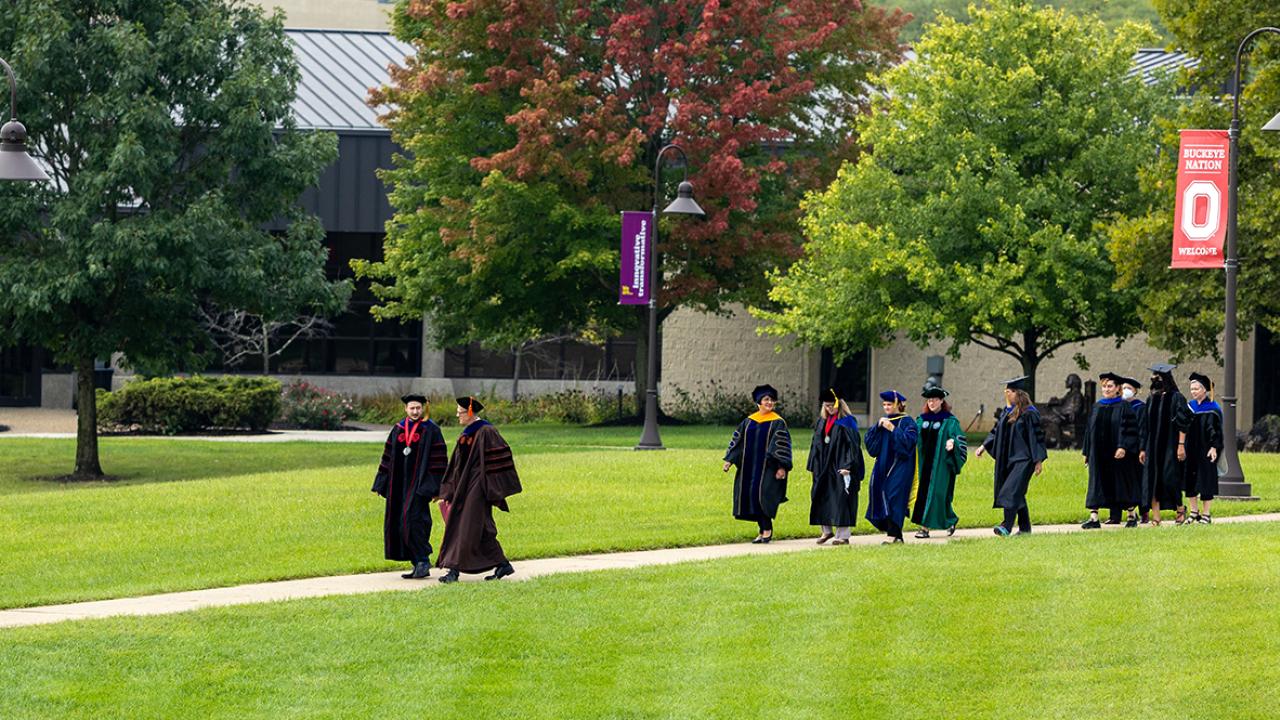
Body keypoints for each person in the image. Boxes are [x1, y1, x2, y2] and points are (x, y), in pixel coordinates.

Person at [437, 397, 523, 583]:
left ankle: (453, 570)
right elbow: (457, 463)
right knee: (481, 528)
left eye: (460, 412)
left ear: (469, 412)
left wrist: (490, 488)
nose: (457, 415)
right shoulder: (467, 432)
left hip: (477, 487)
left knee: (463, 526)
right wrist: (448, 489)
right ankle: (502, 564)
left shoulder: (487, 431)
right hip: (463, 485)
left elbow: (499, 458)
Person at [371, 393, 448, 579]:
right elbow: (387, 457)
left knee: (414, 521)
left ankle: (423, 559)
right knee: (400, 522)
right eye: (412, 408)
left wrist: (432, 487)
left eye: (418, 408)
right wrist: (381, 483)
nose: (415, 411)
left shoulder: (431, 430)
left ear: (423, 408)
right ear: (405, 409)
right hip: (398, 485)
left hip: (419, 485)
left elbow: (439, 460)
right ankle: (416, 563)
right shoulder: (398, 429)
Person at [976, 376, 1047, 537]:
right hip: (1010, 459)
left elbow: (1036, 437)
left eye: (1008, 392)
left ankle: (1006, 526)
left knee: (1011, 491)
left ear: (1017, 393)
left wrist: (1038, 461)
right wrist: (983, 446)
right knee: (1018, 493)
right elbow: (996, 431)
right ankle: (1025, 529)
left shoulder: (1030, 414)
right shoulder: (1007, 412)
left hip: (1025, 459)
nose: (1006, 394)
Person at [723, 384, 793, 543]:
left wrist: (781, 466)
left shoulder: (778, 422)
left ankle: (767, 529)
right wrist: (729, 460)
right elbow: (738, 442)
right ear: (758, 402)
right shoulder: (748, 421)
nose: (770, 403)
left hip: (768, 468)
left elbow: (782, 446)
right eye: (766, 400)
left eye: (772, 400)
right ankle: (762, 530)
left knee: (763, 496)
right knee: (751, 497)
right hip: (749, 468)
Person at [1080, 373, 1140, 529]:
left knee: (1121, 482)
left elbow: (1129, 429)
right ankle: (1094, 518)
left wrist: (1123, 446)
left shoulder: (1124, 406)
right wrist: (1087, 452)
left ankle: (1131, 516)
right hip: (1098, 453)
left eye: (1110, 386)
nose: (1106, 389)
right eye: (1104, 386)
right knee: (1096, 482)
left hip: (1118, 452)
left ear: (1117, 388)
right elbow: (1089, 430)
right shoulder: (1097, 406)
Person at [807, 388, 864, 545]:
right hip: (823, 467)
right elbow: (815, 444)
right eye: (826, 405)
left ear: (840, 404)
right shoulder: (821, 421)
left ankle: (843, 535)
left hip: (839, 465)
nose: (829, 408)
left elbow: (853, 447)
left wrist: (848, 466)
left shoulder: (848, 422)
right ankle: (826, 531)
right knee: (820, 496)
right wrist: (813, 464)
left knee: (841, 499)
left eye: (832, 405)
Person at [912, 383, 967, 538]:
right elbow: (913, 438)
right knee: (928, 495)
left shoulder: (950, 421)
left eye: (935, 399)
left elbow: (959, 440)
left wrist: (953, 444)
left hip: (941, 465)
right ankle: (950, 520)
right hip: (923, 465)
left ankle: (924, 528)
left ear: (942, 401)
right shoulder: (921, 420)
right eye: (929, 400)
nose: (932, 403)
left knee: (937, 495)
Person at [865, 389, 919, 544]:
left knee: (895, 497)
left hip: (900, 467)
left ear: (898, 404)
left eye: (889, 404)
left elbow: (908, 443)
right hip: (882, 465)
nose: (887, 407)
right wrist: (877, 427)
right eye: (884, 405)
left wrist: (893, 429)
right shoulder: (884, 421)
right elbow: (872, 446)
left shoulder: (908, 422)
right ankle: (896, 535)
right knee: (880, 493)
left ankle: (893, 534)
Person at [1140, 364, 1192, 526]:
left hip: (1171, 445)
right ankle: (1156, 518)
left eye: (1158, 378)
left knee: (1170, 478)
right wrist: (1142, 448)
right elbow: (1145, 426)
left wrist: (1181, 445)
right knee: (1153, 480)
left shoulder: (1177, 398)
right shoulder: (1151, 399)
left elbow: (1183, 422)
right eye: (1154, 378)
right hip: (1152, 447)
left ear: (1166, 379)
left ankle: (1180, 508)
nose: (1155, 381)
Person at [1183, 372, 1223, 525]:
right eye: (1192, 389)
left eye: (1196, 389)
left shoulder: (1213, 408)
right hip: (1190, 448)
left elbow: (1218, 431)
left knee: (1206, 479)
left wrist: (1214, 447)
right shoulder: (1190, 407)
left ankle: (1206, 514)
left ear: (1205, 390)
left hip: (1206, 448)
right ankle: (1194, 511)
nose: (1193, 392)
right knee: (1190, 479)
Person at [1119, 376, 1147, 527]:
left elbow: (1143, 430)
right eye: (1123, 388)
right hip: (1121, 450)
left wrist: (1142, 448)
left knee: (1136, 480)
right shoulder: (1118, 406)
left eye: (1129, 388)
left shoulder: (1140, 407)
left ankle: (1143, 511)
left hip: (1135, 450)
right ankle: (1119, 514)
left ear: (1135, 391)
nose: (1125, 391)